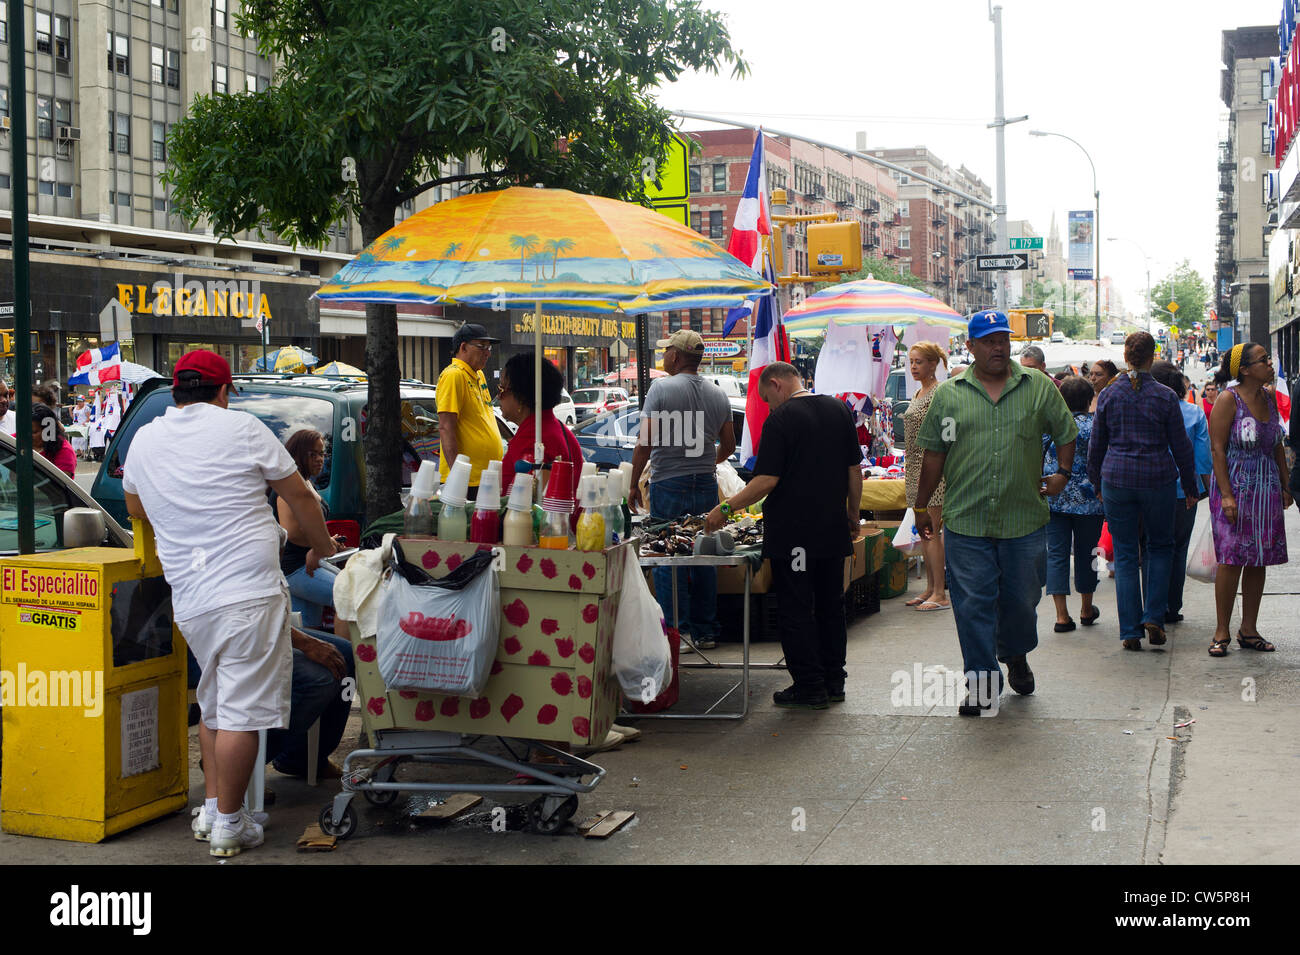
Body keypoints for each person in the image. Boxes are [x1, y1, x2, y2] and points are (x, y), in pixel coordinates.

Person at [122, 350, 339, 857]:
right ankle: (227, 823)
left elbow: (135, 505)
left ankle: (216, 810)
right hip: (247, 592)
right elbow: (300, 497)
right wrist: (325, 546)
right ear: (223, 391)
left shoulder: (146, 438)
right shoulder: (242, 428)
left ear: (176, 391)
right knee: (241, 714)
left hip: (192, 597)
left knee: (216, 704)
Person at [915, 310, 1078, 715]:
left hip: (1023, 520)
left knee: (1021, 601)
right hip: (966, 520)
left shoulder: (1037, 387)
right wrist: (921, 505)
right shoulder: (950, 396)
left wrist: (1063, 473)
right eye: (989, 341)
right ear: (971, 347)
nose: (998, 347)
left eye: (1003, 339)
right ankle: (982, 684)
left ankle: (1015, 653)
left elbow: (1066, 431)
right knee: (972, 604)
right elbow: (935, 452)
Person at [704, 362, 862, 708]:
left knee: (796, 607)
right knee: (830, 605)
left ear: (776, 384)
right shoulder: (839, 409)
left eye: (767, 399)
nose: (770, 406)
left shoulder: (780, 420)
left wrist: (725, 508)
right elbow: (854, 469)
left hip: (795, 535)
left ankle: (810, 686)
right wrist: (853, 514)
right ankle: (834, 680)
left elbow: (766, 480)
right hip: (832, 529)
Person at [1087, 332, 1198, 651]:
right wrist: (1190, 485)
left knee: (1124, 554)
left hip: (1117, 480)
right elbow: (1181, 446)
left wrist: (1096, 482)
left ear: (1126, 356)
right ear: (1152, 357)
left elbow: (1097, 444)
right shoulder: (1165, 396)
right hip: (1158, 480)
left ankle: (1129, 631)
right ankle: (1154, 617)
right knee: (1159, 547)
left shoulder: (1109, 394)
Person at [629, 329, 735, 652]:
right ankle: (706, 631)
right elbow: (729, 445)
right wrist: (706, 462)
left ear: (675, 356)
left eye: (666, 352)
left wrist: (632, 484)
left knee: (668, 555)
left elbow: (644, 443)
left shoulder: (661, 389)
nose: (663, 357)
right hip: (705, 483)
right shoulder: (718, 394)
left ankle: (680, 632)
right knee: (703, 553)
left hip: (668, 483)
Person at [1206, 343, 1291, 657]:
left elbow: (1277, 444)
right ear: (1244, 369)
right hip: (1235, 486)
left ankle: (1249, 629)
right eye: (1263, 360)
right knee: (1232, 558)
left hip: (1266, 487)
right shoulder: (1228, 399)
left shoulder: (1269, 397)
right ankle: (1221, 631)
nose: (1269, 364)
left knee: (1259, 558)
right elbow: (1217, 449)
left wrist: (1285, 485)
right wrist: (1227, 495)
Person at [1149, 361, 1212, 625]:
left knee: (1151, 548)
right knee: (1177, 549)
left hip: (1149, 489)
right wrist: (1209, 490)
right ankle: (1172, 607)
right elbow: (1203, 459)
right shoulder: (1194, 413)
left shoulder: (1144, 410)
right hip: (1185, 492)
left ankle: (1152, 608)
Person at [1043, 376, 1104, 632]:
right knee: (1088, 553)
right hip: (1090, 502)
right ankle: (1086, 608)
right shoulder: (1096, 426)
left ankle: (1061, 615)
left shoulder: (1051, 426)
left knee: (1056, 554)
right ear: (1089, 399)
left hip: (1054, 498)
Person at [274, 428, 349, 630]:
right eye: (313, 454)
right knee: (349, 597)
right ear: (298, 454)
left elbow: (308, 527)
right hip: (294, 568)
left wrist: (327, 541)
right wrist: (323, 543)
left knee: (308, 630)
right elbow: (292, 532)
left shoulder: (305, 482)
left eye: (322, 454)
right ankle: (350, 651)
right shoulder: (289, 486)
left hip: (307, 564)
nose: (320, 459)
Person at [498, 352, 583, 502]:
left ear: (521, 398)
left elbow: (525, 504)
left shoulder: (534, 438)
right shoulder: (554, 427)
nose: (498, 397)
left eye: (502, 390)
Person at [902, 341, 949, 612]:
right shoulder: (919, 392)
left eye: (919, 362)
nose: (913, 367)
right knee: (924, 532)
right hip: (914, 468)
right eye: (911, 362)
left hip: (931, 471)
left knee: (932, 531)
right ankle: (930, 588)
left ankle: (940, 593)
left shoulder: (939, 392)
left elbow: (945, 433)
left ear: (933, 364)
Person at [436, 322, 504, 496]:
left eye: (489, 348)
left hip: (485, 477)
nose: (487, 353)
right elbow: (446, 427)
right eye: (482, 347)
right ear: (463, 347)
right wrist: (457, 475)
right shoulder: (454, 375)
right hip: (466, 480)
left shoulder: (478, 374)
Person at [31, 404, 77, 479]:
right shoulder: (17, 440)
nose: (27, 435)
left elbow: (59, 483)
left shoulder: (64, 451)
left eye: (34, 432)